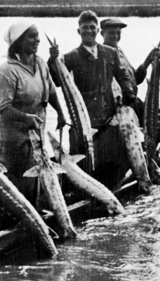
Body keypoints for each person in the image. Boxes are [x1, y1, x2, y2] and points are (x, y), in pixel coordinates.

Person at [48, 10, 136, 189]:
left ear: (98, 31)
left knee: (112, 167)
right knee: (84, 171)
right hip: (84, 124)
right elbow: (57, 81)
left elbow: (123, 75)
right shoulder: (70, 57)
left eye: (92, 27)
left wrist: (128, 94)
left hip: (108, 120)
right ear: (78, 31)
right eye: (84, 28)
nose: (88, 31)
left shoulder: (110, 53)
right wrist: (53, 60)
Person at [0, 20, 67, 202]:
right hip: (14, 141)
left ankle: (36, 214)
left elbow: (50, 90)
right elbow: (4, 109)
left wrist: (60, 112)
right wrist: (27, 118)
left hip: (36, 135)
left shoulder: (40, 63)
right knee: (16, 186)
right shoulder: (8, 70)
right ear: (19, 41)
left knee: (36, 179)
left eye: (37, 36)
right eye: (32, 36)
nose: (37, 40)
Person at [100, 17, 160, 166]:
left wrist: (149, 59)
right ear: (102, 33)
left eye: (118, 32)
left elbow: (136, 78)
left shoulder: (119, 51)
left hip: (134, 101)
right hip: (122, 105)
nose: (115, 36)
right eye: (111, 33)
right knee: (158, 118)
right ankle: (148, 156)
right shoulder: (104, 54)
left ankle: (151, 154)